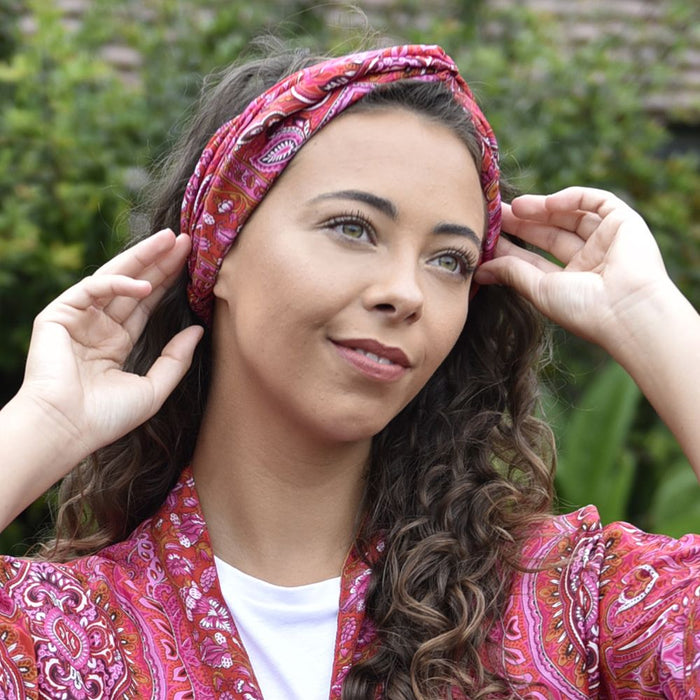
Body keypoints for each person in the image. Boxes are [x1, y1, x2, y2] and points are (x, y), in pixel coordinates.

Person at [0, 40, 699, 699]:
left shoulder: (567, 602)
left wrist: (650, 317)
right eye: (352, 227)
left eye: (449, 260)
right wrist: (44, 423)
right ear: (223, 249)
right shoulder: (59, 632)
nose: (407, 292)